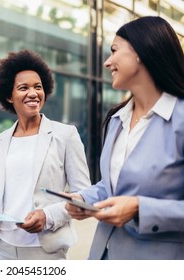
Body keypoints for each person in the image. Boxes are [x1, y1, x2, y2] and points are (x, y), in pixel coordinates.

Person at [66, 16, 184, 260]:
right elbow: (114, 186)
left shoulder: (180, 120)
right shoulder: (117, 119)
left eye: (114, 51)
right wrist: (84, 198)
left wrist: (141, 209)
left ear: (140, 52)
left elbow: (133, 199)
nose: (107, 62)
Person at [0, 49, 91, 260]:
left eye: (38, 87)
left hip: (45, 250)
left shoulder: (65, 135)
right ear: (9, 96)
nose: (33, 93)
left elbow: (83, 195)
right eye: (23, 88)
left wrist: (48, 216)